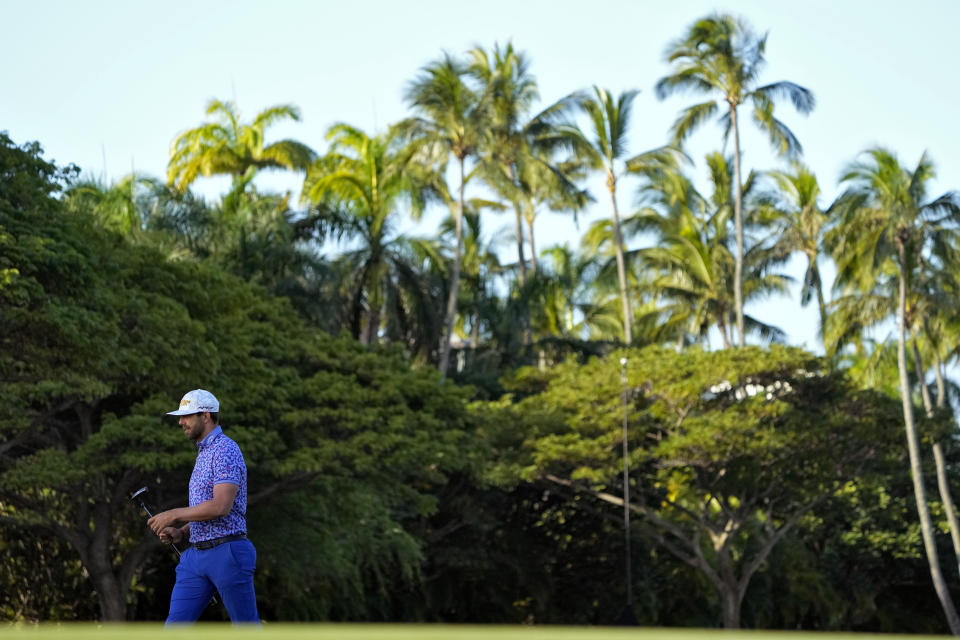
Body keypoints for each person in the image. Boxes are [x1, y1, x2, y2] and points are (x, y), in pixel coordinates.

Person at [147, 389, 260, 624]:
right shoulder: (204, 452)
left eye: (187, 415)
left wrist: (174, 514)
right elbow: (205, 507)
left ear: (206, 416)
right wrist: (182, 532)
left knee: (246, 628)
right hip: (196, 557)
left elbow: (220, 506)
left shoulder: (226, 450)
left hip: (228, 552)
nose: (181, 422)